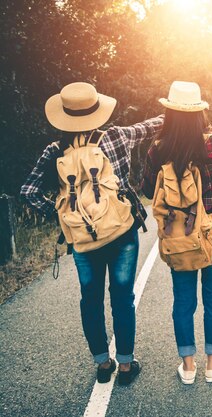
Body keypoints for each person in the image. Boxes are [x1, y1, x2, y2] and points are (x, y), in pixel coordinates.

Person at [21, 82, 164, 385]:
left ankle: (103, 364)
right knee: (123, 297)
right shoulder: (114, 136)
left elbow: (29, 192)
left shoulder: (54, 150)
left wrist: (59, 216)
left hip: (83, 241)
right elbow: (151, 126)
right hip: (122, 231)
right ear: (97, 109)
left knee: (91, 299)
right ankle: (126, 366)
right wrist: (176, 113)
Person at [141, 81, 212, 384]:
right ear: (199, 112)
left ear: (169, 113)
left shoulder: (157, 149)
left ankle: (188, 366)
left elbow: (147, 188)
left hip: (178, 237)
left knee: (183, 300)